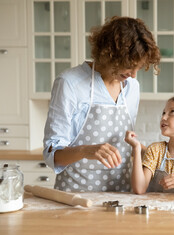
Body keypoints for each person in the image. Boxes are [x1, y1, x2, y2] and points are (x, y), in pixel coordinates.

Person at [43, 16, 161, 192]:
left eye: (138, 68)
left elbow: (125, 143)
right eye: (129, 66)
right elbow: (52, 155)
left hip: (121, 195)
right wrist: (85, 150)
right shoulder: (69, 83)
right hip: (77, 197)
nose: (134, 75)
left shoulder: (132, 87)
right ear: (108, 55)